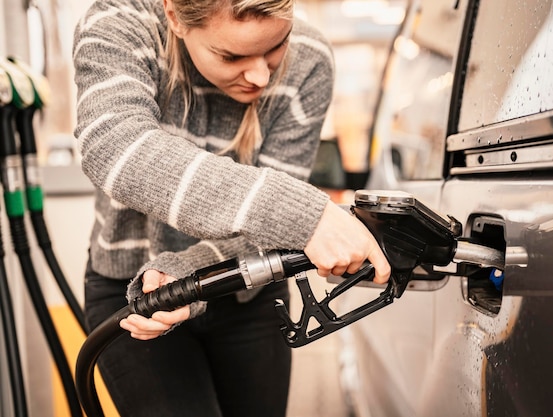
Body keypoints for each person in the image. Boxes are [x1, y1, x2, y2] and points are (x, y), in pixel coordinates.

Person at [72, 0, 391, 416]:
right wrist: (302, 215)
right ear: (174, 17)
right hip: (136, 294)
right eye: (232, 55)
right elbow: (114, 146)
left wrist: (186, 274)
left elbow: (266, 234)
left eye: (277, 45)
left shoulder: (310, 60)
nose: (261, 75)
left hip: (250, 288)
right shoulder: (122, 23)